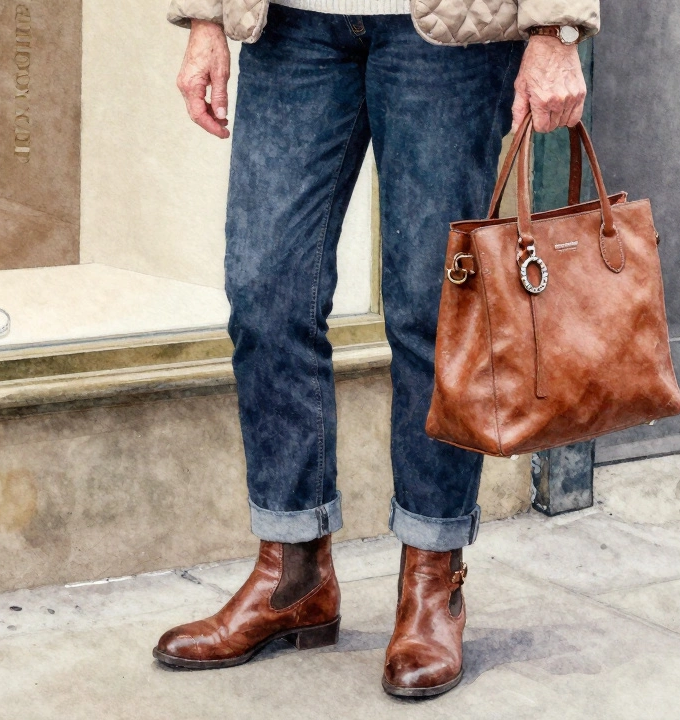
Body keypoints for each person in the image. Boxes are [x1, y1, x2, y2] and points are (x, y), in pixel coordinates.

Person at [152, 0, 597, 698]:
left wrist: (556, 27)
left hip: (447, 36)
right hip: (292, 27)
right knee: (266, 293)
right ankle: (291, 574)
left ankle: (431, 579)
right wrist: (205, 18)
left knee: (433, 309)